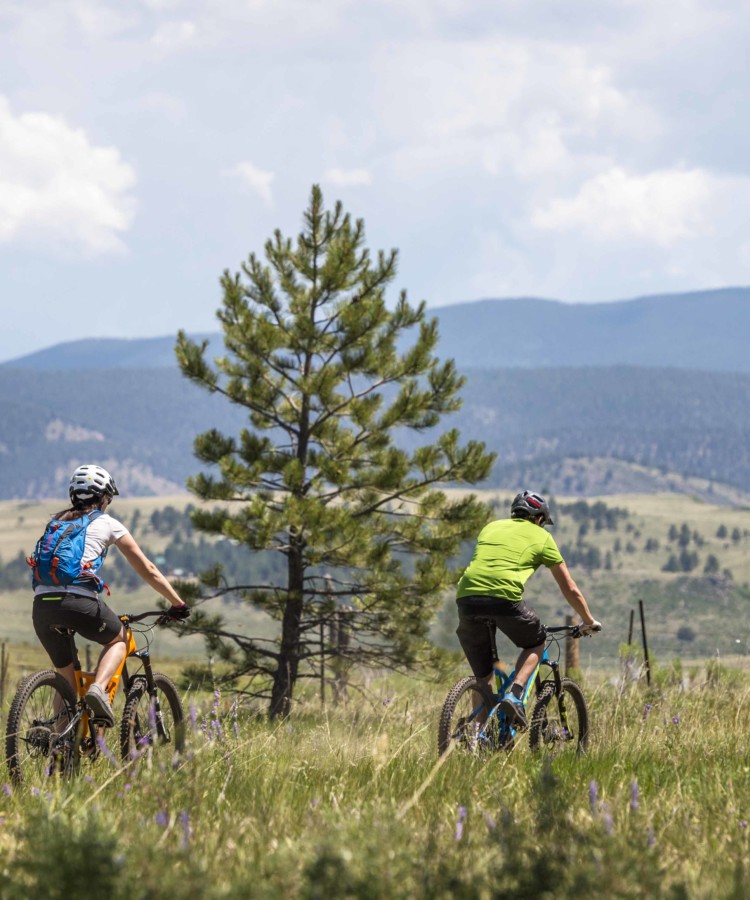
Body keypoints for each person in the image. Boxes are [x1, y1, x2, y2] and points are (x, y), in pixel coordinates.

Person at [31, 464, 190, 727]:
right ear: (103, 497)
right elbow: (147, 569)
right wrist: (177, 603)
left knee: (66, 683)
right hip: (78, 602)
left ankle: (60, 750)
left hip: (42, 607)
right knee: (120, 638)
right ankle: (99, 690)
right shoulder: (107, 523)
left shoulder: (56, 523)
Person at [456, 490, 601, 727]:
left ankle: (476, 736)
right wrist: (588, 620)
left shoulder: (491, 527)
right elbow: (570, 588)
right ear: (540, 518)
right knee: (536, 641)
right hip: (503, 598)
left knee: (484, 676)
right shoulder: (542, 536)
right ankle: (514, 695)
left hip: (466, 598)